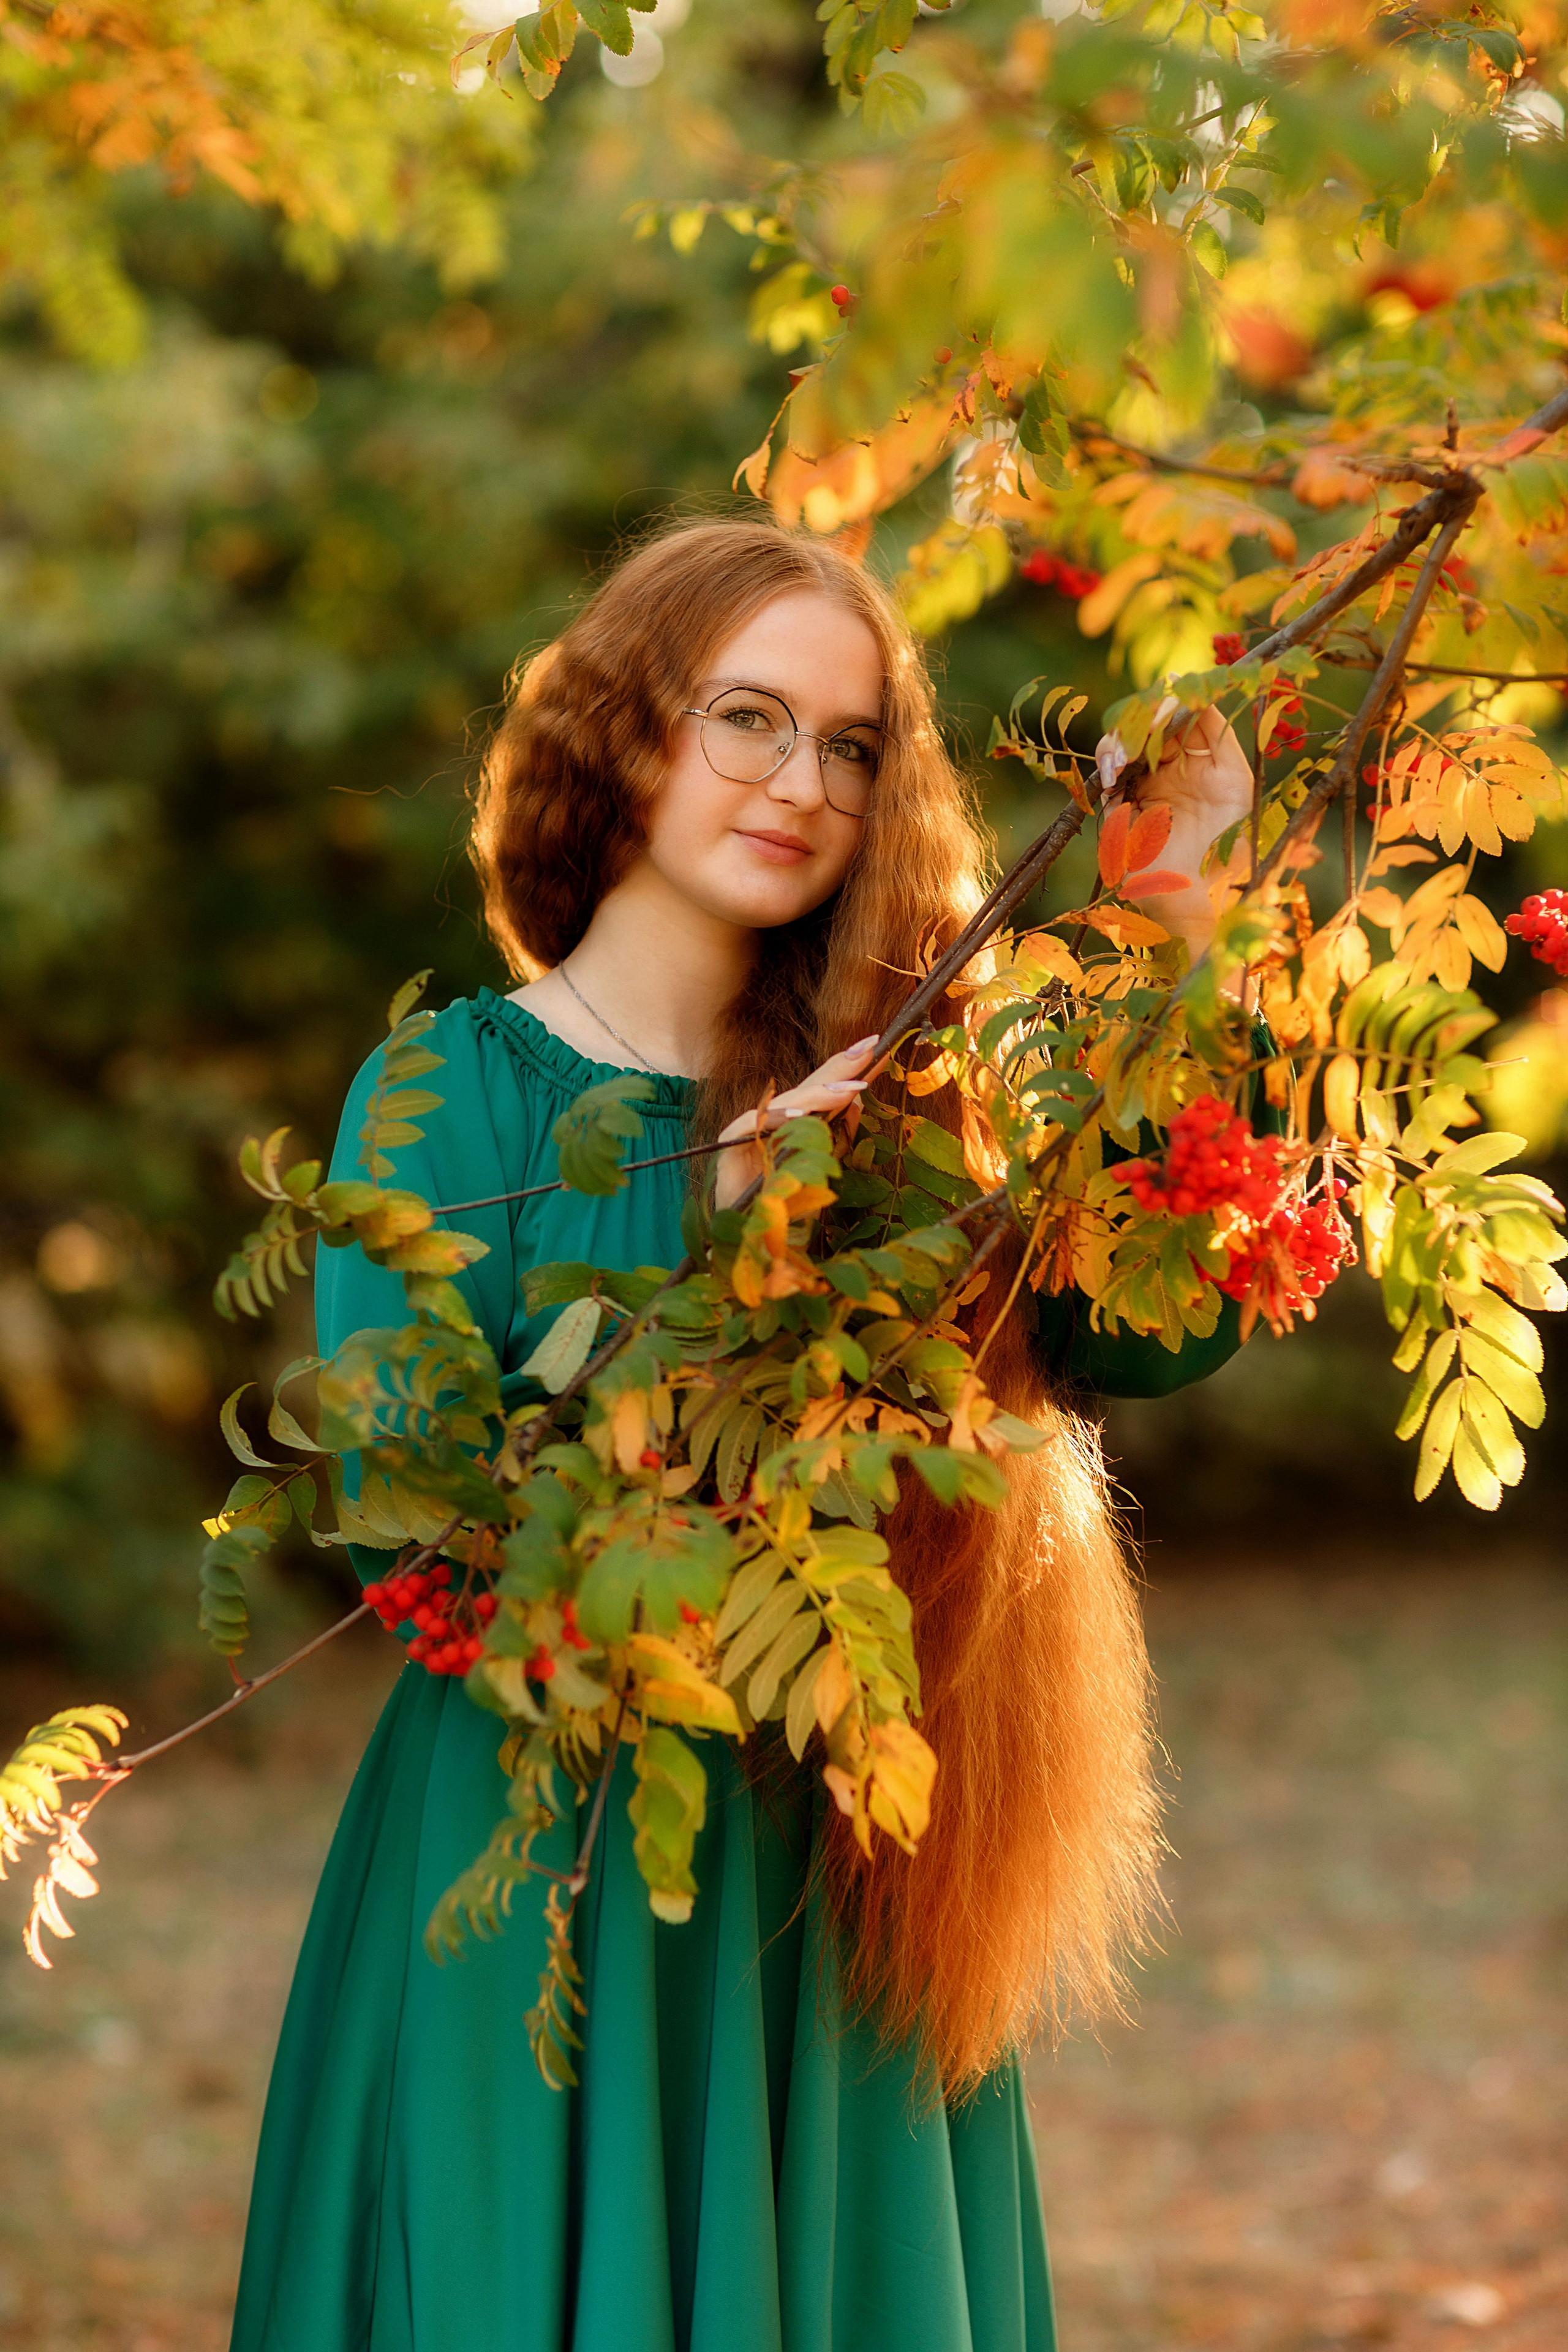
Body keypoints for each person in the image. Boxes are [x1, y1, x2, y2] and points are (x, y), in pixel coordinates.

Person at [230, 519, 1256, 2352]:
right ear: (629, 732)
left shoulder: (908, 1088)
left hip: (837, 1869)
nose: (802, 783)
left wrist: (1184, 932)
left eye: (851, 747)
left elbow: (1148, 1335)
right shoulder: (449, 1092)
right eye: (749, 721)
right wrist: (739, 1244)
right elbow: (428, 1532)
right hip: (534, 1862)